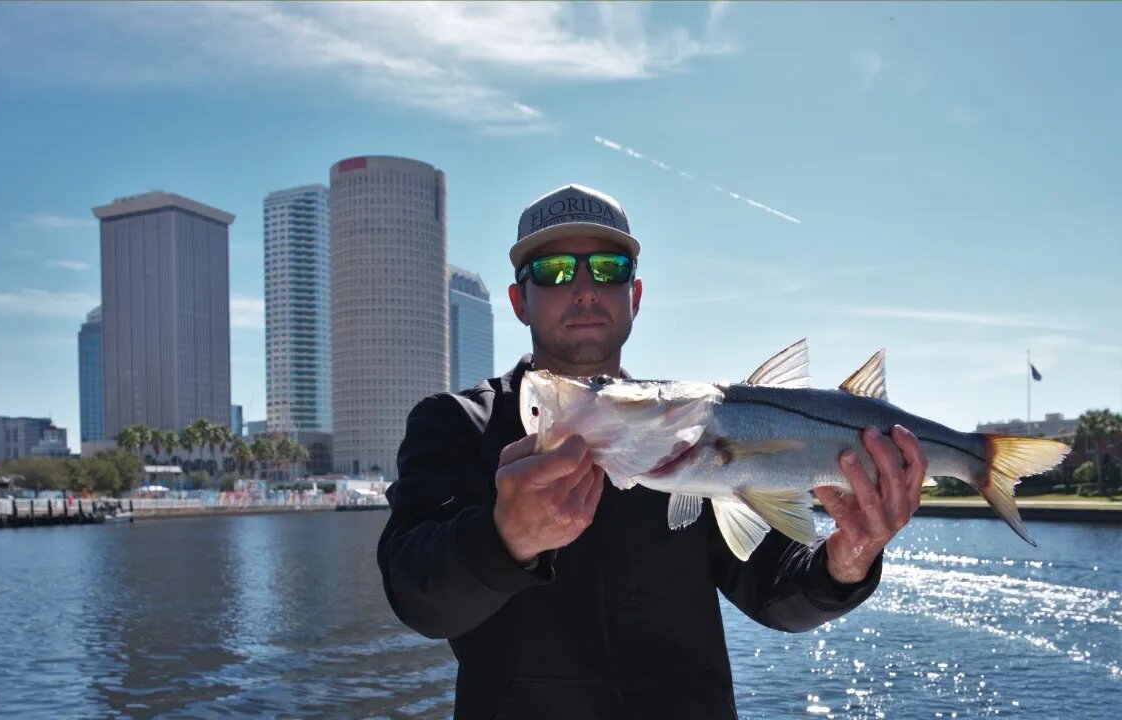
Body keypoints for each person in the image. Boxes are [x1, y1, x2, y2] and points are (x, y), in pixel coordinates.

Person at [377, 184, 927, 719]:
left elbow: (776, 593)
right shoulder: (455, 424)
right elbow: (418, 598)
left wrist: (848, 558)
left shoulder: (691, 428)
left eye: (609, 269)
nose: (585, 287)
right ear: (520, 300)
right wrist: (506, 538)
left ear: (634, 297)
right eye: (555, 271)